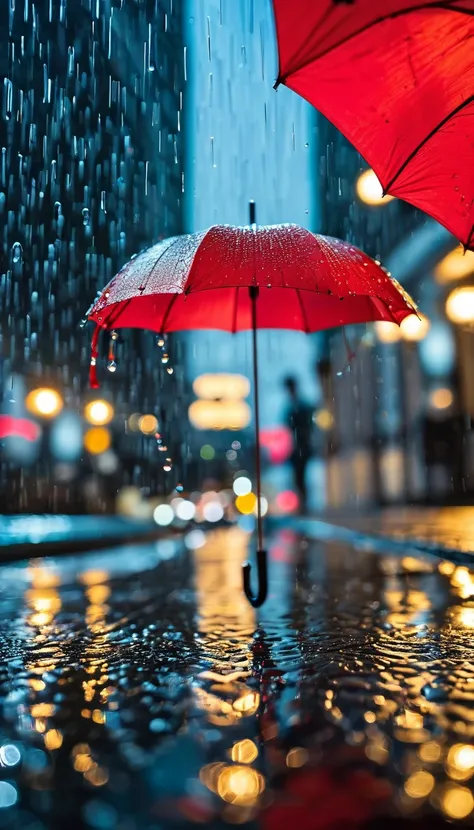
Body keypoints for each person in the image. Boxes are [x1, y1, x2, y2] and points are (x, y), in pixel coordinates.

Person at [283, 376, 315, 513]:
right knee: (299, 477)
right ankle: (303, 504)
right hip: (299, 447)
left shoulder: (299, 406)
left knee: (300, 477)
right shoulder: (296, 406)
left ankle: (304, 504)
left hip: (301, 447)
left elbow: (303, 427)